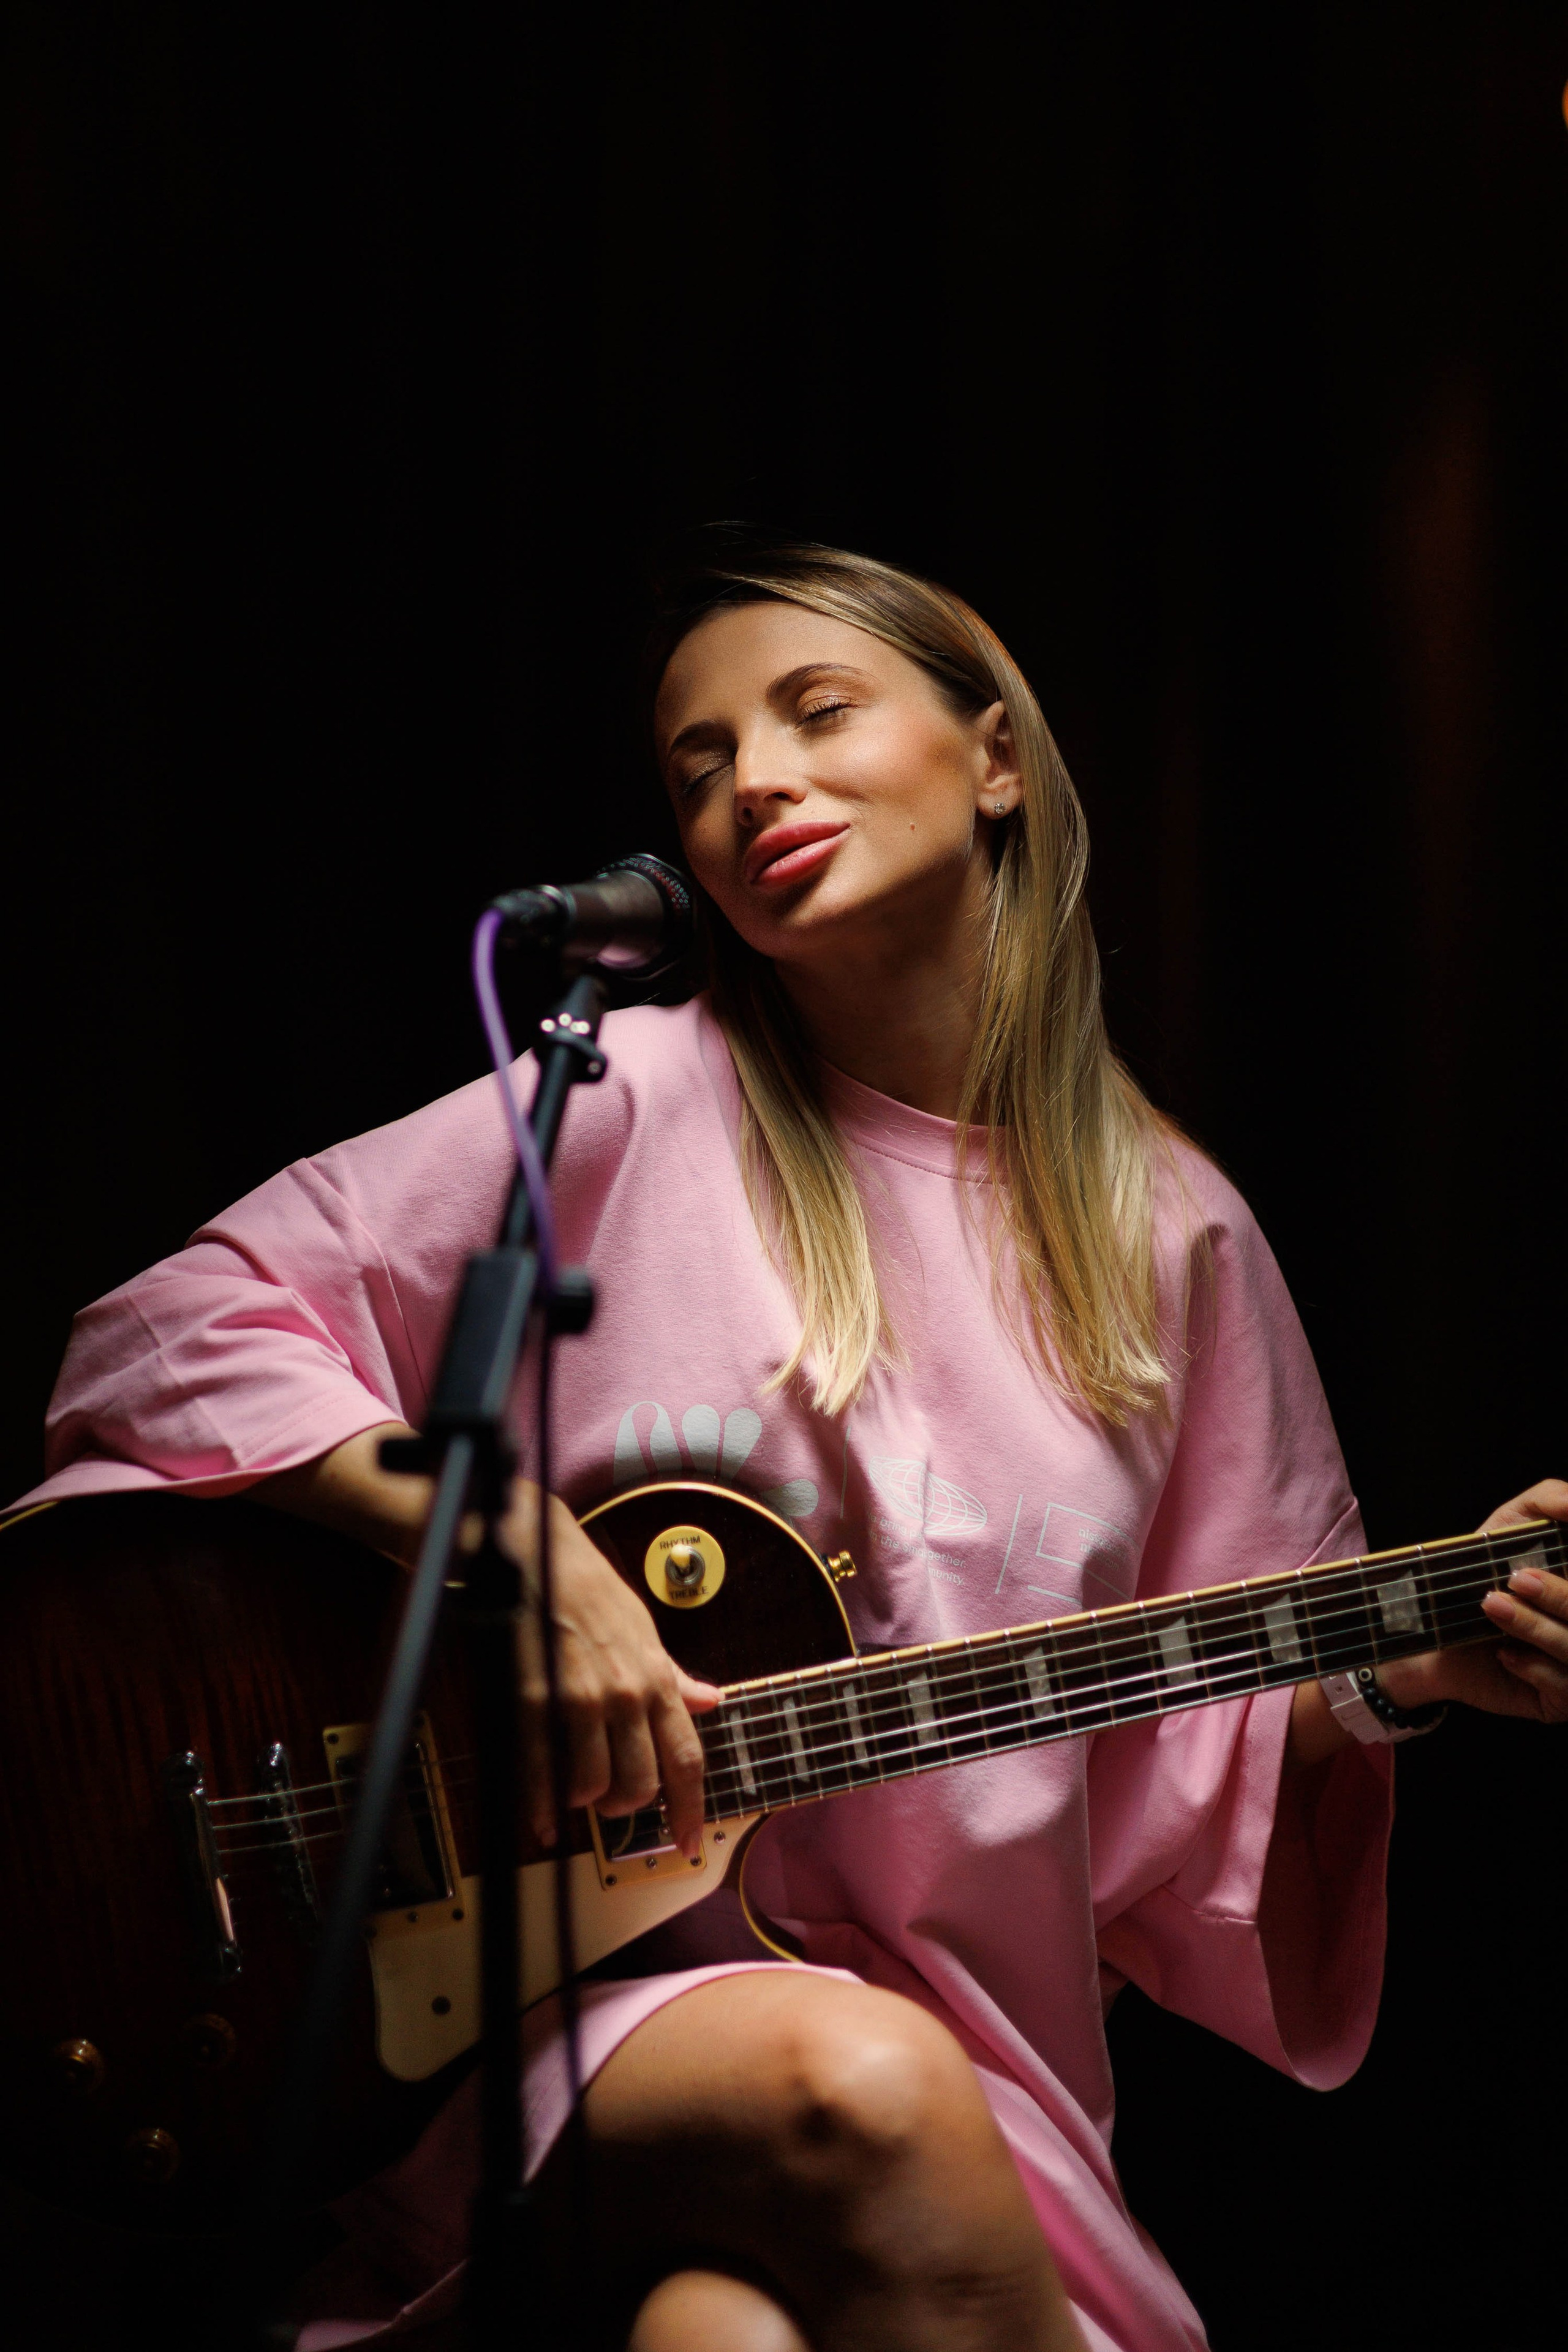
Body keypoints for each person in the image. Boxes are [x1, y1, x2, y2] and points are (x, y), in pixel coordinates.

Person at [18, 538, 1568, 2352]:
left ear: (995, 757)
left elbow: (1184, 1748)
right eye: (698, 762)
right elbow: (171, 1332)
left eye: (814, 711)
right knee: (857, 2086)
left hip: (969, 2058)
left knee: (721, 2337)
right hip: (522, 2010)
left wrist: (1401, 1678)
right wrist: (524, 1563)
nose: (753, 779)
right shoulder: (628, 1101)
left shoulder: (1176, 1240)